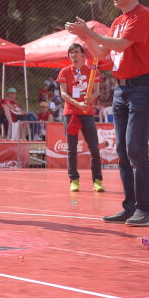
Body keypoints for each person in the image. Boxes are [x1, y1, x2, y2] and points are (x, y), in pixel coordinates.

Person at [67, 0, 149, 227]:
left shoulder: (143, 15)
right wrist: (85, 37)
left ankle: (145, 210)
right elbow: (100, 53)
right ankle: (129, 208)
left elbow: (120, 44)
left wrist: (89, 32)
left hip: (142, 86)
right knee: (121, 150)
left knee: (134, 148)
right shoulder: (118, 20)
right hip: (122, 89)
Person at [57, 43, 104, 192]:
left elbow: (96, 92)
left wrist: (88, 101)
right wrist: (77, 103)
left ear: (83, 55)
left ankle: (97, 180)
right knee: (71, 149)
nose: (73, 55)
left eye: (76, 52)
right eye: (71, 53)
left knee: (94, 148)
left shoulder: (92, 71)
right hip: (71, 113)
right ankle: (74, 179)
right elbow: (63, 94)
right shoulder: (64, 71)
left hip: (87, 113)